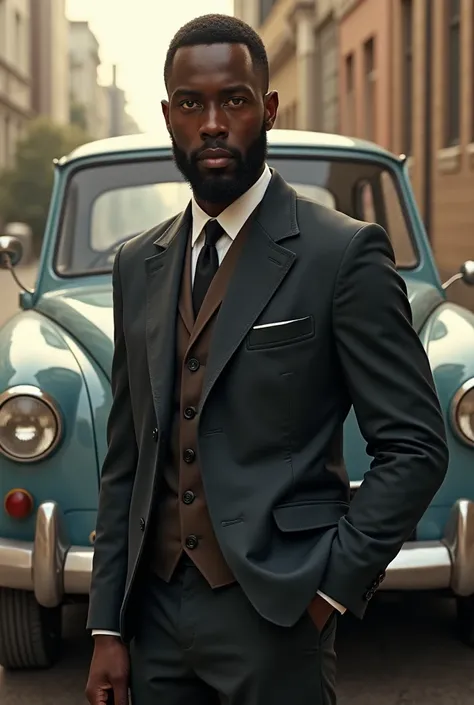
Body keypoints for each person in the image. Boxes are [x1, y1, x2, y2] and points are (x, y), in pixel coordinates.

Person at [85, 13, 448, 705]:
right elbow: (126, 458)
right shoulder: (139, 262)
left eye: (235, 100)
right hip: (154, 621)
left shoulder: (341, 253)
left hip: (280, 613)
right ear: (169, 116)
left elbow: (415, 446)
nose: (213, 123)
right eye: (192, 104)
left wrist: (329, 590)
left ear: (269, 108)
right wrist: (107, 624)